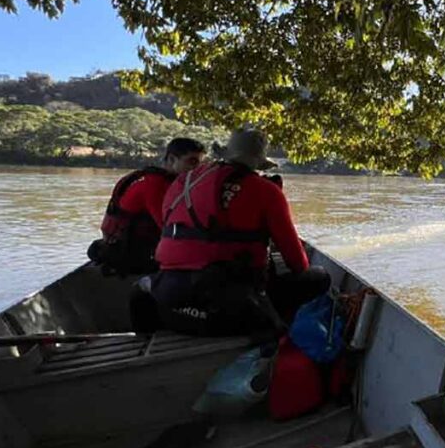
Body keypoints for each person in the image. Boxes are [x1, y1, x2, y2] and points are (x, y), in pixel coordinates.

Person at [136, 126, 330, 336]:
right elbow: (298, 264)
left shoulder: (182, 183)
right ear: (258, 162)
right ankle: (278, 330)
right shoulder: (266, 190)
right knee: (318, 277)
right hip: (228, 314)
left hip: (170, 306)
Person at [88, 138, 206, 276]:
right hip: (129, 254)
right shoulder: (155, 185)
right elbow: (168, 230)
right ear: (172, 159)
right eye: (192, 162)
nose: (198, 169)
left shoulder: (159, 179)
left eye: (201, 163)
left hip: (129, 244)